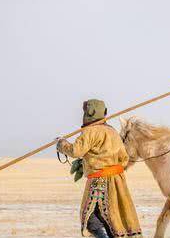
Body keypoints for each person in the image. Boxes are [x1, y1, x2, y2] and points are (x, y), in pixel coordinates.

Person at [57, 99, 143, 238]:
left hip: (99, 183)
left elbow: (75, 151)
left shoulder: (90, 131)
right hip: (117, 182)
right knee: (112, 218)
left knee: (90, 218)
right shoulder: (113, 132)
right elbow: (124, 159)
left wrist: (61, 144)